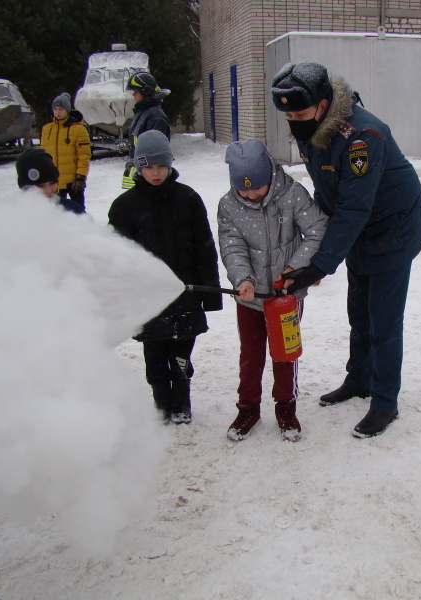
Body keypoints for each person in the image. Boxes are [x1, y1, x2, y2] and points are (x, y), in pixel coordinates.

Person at [270, 62, 421, 438]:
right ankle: (360, 379)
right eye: (288, 115)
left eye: (300, 113)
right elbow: (331, 196)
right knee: (359, 313)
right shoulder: (313, 127)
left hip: (392, 231)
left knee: (384, 322)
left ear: (324, 104)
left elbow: (355, 207)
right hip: (359, 231)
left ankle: (386, 401)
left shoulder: (362, 136)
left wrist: (320, 265)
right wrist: (310, 254)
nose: (294, 122)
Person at [108, 130, 222, 424]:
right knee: (155, 355)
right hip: (148, 300)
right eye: (148, 166)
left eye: (161, 166)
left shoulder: (189, 199)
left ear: (170, 164)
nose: (155, 173)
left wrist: (208, 294)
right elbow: (117, 259)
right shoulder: (124, 207)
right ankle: (161, 402)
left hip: (186, 295)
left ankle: (181, 401)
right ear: (138, 167)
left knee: (181, 354)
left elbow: (205, 248)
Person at [217, 139, 328, 442]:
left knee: (284, 353)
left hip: (286, 296)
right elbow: (231, 245)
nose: (251, 195)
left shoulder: (292, 195)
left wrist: (295, 269)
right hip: (250, 299)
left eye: (257, 187)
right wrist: (242, 279)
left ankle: (286, 406)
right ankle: (248, 407)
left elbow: (317, 230)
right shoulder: (229, 206)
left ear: (270, 175)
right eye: (244, 189)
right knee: (250, 354)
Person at [40, 92, 91, 208]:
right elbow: (43, 155)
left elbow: (84, 155)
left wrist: (80, 177)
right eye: (55, 109)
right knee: (56, 211)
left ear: (67, 110)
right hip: (54, 181)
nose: (58, 112)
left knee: (77, 210)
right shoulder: (47, 129)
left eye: (61, 109)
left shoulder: (79, 130)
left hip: (73, 181)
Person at [121, 72, 171, 189]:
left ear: (145, 91)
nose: (133, 95)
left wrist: (148, 174)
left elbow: (155, 154)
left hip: (149, 180)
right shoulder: (142, 113)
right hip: (140, 177)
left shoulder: (154, 117)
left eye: (135, 91)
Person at [15, 148, 85, 214]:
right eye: (41, 186)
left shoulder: (73, 210)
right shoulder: (14, 213)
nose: (49, 191)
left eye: (52, 183)